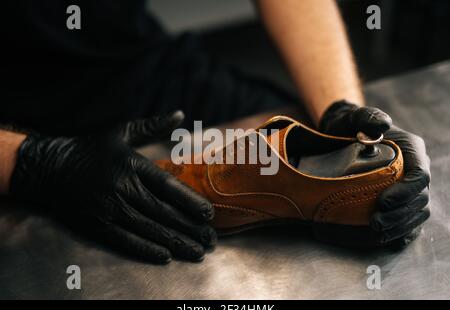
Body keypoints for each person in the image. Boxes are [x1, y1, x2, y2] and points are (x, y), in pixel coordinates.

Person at [0, 0, 430, 263]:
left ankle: (350, 188)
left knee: (290, 124)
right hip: (16, 118)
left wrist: (342, 109)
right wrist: (36, 162)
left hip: (139, 71)